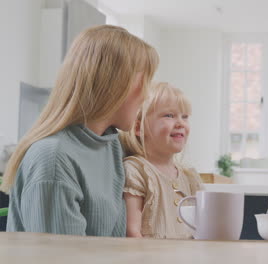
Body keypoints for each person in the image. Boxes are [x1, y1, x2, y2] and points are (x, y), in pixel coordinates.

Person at [0, 25, 159, 236]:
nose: (146, 95)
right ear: (117, 85)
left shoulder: (110, 145)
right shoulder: (54, 159)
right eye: (145, 81)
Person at [119, 82, 203, 238]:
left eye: (184, 117)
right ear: (139, 128)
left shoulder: (190, 178)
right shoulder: (136, 170)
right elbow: (132, 231)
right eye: (169, 115)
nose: (180, 123)